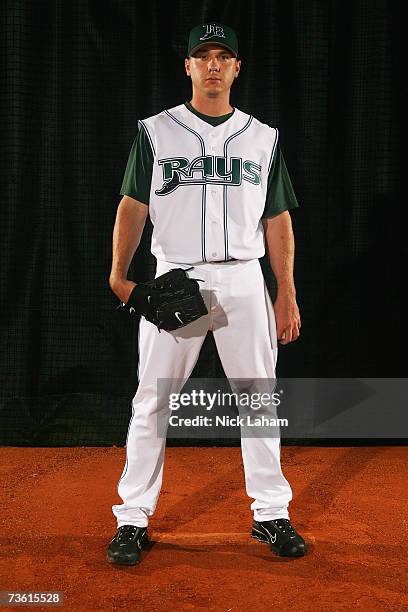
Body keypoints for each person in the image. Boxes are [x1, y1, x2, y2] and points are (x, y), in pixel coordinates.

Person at [107, 22, 307, 566]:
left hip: (243, 277)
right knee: (155, 399)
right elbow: (133, 203)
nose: (213, 65)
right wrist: (119, 275)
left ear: (237, 68)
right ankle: (132, 518)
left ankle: (270, 513)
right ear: (188, 67)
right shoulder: (157, 131)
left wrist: (284, 291)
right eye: (203, 56)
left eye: (224, 56)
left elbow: (279, 217)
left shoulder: (262, 137)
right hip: (181, 280)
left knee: (258, 399)